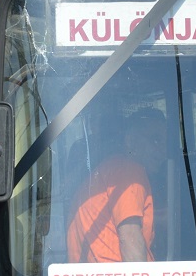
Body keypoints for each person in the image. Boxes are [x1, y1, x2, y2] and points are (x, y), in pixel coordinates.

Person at [67, 108, 168, 263]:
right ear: (131, 141)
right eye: (155, 140)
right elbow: (130, 239)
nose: (162, 150)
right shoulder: (129, 173)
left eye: (165, 143)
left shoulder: (107, 171)